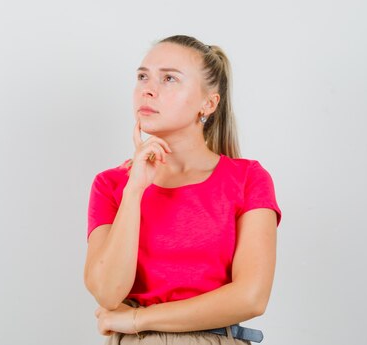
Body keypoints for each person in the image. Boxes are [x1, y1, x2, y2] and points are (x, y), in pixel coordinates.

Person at [83, 35, 282, 345]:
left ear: (209, 103)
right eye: (142, 76)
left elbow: (251, 298)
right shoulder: (112, 184)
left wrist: (138, 318)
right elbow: (108, 291)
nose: (148, 89)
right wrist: (135, 188)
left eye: (170, 79)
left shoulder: (248, 179)